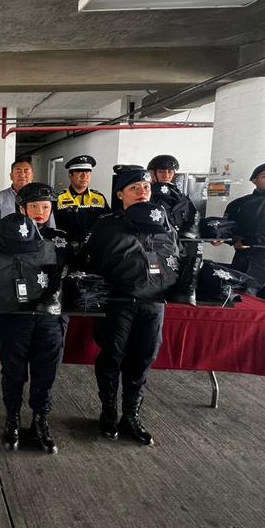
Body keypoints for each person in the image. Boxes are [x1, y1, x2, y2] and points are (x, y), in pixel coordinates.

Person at [84, 169, 180, 446]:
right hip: (118, 300)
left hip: (153, 302)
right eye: (134, 188)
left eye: (145, 187)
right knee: (112, 355)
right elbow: (90, 260)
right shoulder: (107, 223)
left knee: (143, 357)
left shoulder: (162, 221)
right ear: (120, 194)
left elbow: (175, 254)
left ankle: (131, 415)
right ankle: (108, 412)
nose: (142, 192)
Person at [0, 183, 69, 453]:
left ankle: (40, 420)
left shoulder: (61, 237)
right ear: (21, 208)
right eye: (34, 207)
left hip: (50, 316)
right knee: (13, 371)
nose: (40, 212)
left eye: (46, 207)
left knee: (45, 373)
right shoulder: (5, 236)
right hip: (15, 315)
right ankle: (12, 419)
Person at [224, 162, 265, 305]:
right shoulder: (240, 204)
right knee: (244, 304)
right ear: (255, 181)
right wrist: (234, 239)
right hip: (249, 260)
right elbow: (225, 229)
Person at [147, 154, 201, 305]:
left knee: (177, 276)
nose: (166, 175)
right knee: (154, 276)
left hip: (178, 246)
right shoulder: (146, 194)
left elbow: (193, 219)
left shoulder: (182, 198)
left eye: (170, 172)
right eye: (162, 171)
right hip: (153, 246)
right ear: (153, 173)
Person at [54, 155, 109, 250]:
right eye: (79, 172)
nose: (84, 176)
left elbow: (107, 224)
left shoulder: (99, 197)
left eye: (87, 172)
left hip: (94, 248)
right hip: (67, 249)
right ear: (70, 175)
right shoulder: (59, 198)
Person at [0, 158, 34, 236]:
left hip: (35, 245)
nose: (22, 175)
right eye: (18, 171)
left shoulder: (42, 198)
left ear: (32, 176)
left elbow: (50, 228)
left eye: (26, 171)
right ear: (11, 176)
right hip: (6, 244)